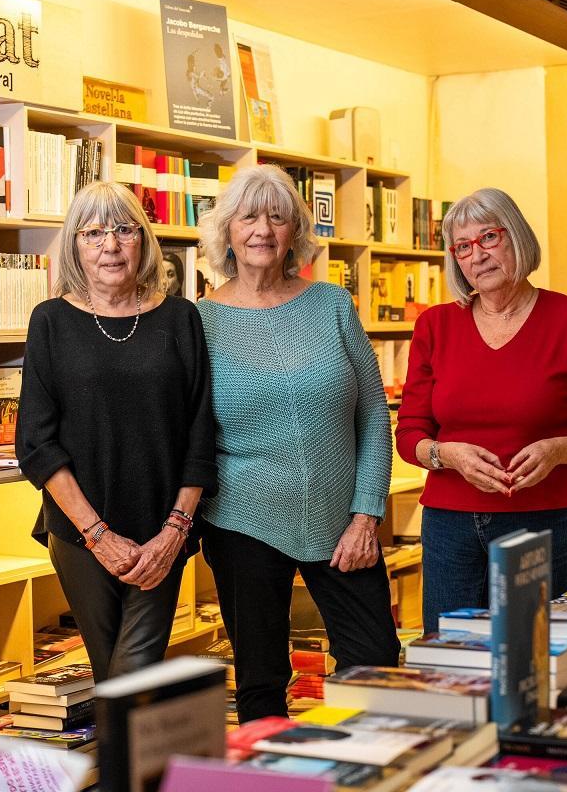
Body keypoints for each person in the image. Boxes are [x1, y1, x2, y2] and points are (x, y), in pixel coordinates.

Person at [197, 164, 399, 723]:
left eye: (278, 217)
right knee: (262, 681)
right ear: (227, 232)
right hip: (241, 520)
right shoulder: (199, 321)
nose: (263, 229)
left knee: (375, 664)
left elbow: (374, 416)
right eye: (248, 216)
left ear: (295, 233)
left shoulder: (333, 305)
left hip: (343, 523)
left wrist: (366, 514)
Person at [395, 187, 567, 631]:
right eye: (463, 247)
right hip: (449, 529)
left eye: (489, 237)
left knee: (535, 665)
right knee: (450, 669)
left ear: (517, 238)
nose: (478, 256)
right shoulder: (435, 325)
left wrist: (559, 450)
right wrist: (446, 455)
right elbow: (410, 434)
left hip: (543, 525)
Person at [15, 181, 217, 682]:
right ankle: (123, 762)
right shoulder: (51, 322)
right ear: (74, 246)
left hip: (163, 532)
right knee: (114, 679)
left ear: (143, 241)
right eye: (94, 232)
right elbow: (36, 443)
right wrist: (97, 535)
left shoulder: (180, 318)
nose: (110, 245)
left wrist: (175, 530)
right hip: (80, 533)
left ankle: (123, 761)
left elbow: (201, 433)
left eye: (124, 230)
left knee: (132, 677)